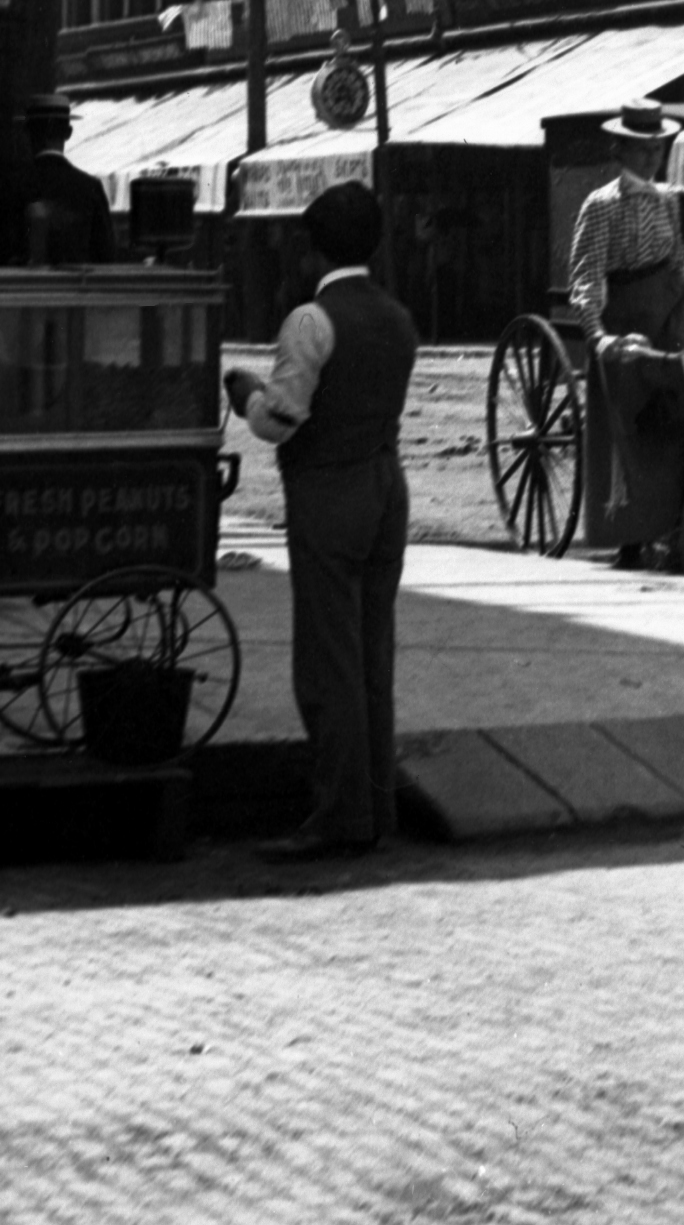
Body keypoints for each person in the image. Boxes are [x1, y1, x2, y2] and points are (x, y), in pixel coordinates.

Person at [222, 181, 416, 859]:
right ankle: (375, 808)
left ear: (311, 248)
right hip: (387, 486)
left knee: (328, 659)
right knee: (372, 652)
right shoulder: (396, 316)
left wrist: (244, 390)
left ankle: (339, 814)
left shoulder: (311, 320)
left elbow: (281, 418)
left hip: (328, 490)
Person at [569, 111, 684, 564]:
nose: (653, 157)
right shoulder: (600, 204)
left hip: (673, 315)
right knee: (637, 425)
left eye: (658, 149)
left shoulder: (668, 199)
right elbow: (588, 277)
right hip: (626, 319)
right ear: (620, 150)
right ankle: (634, 534)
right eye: (643, 149)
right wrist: (598, 335)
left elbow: (680, 266)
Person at [15, 94, 116, 265]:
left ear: (28, 131)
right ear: (68, 133)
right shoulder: (90, 187)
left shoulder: (13, 187)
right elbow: (106, 254)